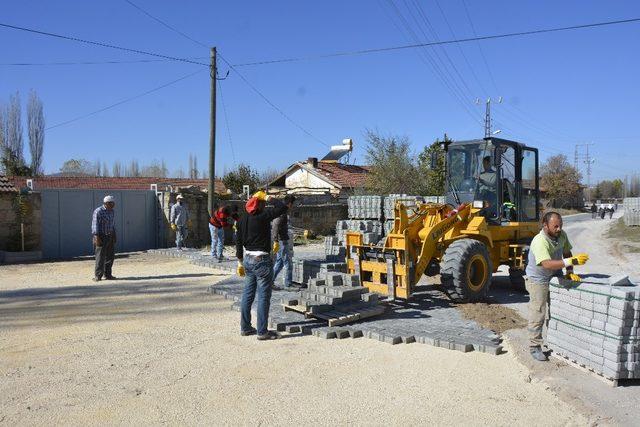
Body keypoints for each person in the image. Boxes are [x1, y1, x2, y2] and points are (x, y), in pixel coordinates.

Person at [525, 211, 589, 361]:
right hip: (538, 278)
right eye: (555, 226)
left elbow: (566, 252)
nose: (559, 229)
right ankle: (534, 346)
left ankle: (558, 342)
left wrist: (570, 271)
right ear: (545, 225)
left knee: (561, 306)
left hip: (555, 273)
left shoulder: (562, 235)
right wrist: (571, 261)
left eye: (560, 226)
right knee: (539, 311)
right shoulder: (540, 240)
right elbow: (546, 264)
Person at [236, 191, 288, 340]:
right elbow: (282, 207)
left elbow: (238, 242)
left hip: (248, 260)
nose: (265, 206)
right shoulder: (262, 216)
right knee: (263, 297)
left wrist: (239, 261)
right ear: (259, 205)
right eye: (263, 203)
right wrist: (267, 197)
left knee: (247, 294)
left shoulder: (241, 220)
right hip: (262, 261)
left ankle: (245, 328)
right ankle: (262, 332)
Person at [272, 195, 296, 289]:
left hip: (281, 240)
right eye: (292, 204)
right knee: (288, 263)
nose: (292, 206)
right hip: (282, 241)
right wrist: (275, 240)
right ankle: (288, 283)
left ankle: (270, 281)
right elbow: (275, 225)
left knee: (280, 262)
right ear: (290, 204)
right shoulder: (282, 213)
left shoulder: (281, 211)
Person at [91, 195, 117, 282]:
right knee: (100, 257)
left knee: (110, 256)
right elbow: (95, 225)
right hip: (101, 236)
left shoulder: (112, 211)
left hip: (110, 236)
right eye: (111, 203)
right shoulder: (98, 211)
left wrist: (114, 235)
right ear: (106, 203)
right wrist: (96, 237)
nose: (113, 205)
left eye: (113, 203)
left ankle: (108, 275)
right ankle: (98, 276)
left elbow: (112, 224)